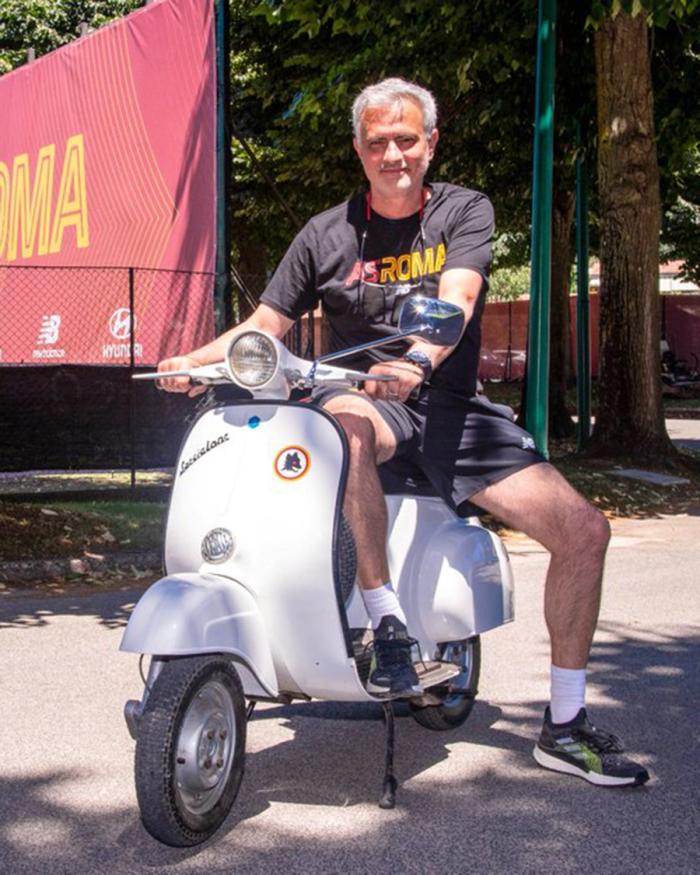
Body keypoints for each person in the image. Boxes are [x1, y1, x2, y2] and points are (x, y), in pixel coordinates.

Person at [157, 78, 649, 788]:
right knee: (346, 427)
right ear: (359, 150)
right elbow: (264, 326)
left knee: (584, 531)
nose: (393, 154)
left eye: (406, 139)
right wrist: (191, 362)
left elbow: (459, 298)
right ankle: (386, 624)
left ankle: (566, 725)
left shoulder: (464, 210)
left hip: (451, 404)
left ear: (431, 144)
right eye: (378, 141)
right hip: (365, 398)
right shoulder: (324, 233)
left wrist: (417, 361)